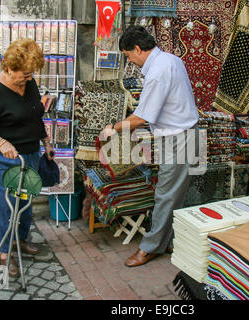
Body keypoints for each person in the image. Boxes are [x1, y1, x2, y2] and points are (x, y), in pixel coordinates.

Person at [101, 25, 199, 267]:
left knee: (166, 195)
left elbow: (141, 118)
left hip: (180, 138)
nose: (130, 61)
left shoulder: (157, 71)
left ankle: (150, 247)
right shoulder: (171, 59)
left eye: (128, 56)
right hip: (187, 134)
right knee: (178, 194)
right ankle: (172, 240)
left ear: (137, 49)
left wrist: (113, 127)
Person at [0, 38, 55, 278]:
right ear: (8, 68)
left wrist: (46, 142)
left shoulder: (29, 84)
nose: (28, 79)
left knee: (23, 203)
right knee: (1, 207)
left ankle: (20, 241)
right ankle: (4, 255)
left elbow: (34, 116)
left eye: (31, 74)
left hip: (27, 155)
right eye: (24, 74)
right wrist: (1, 142)